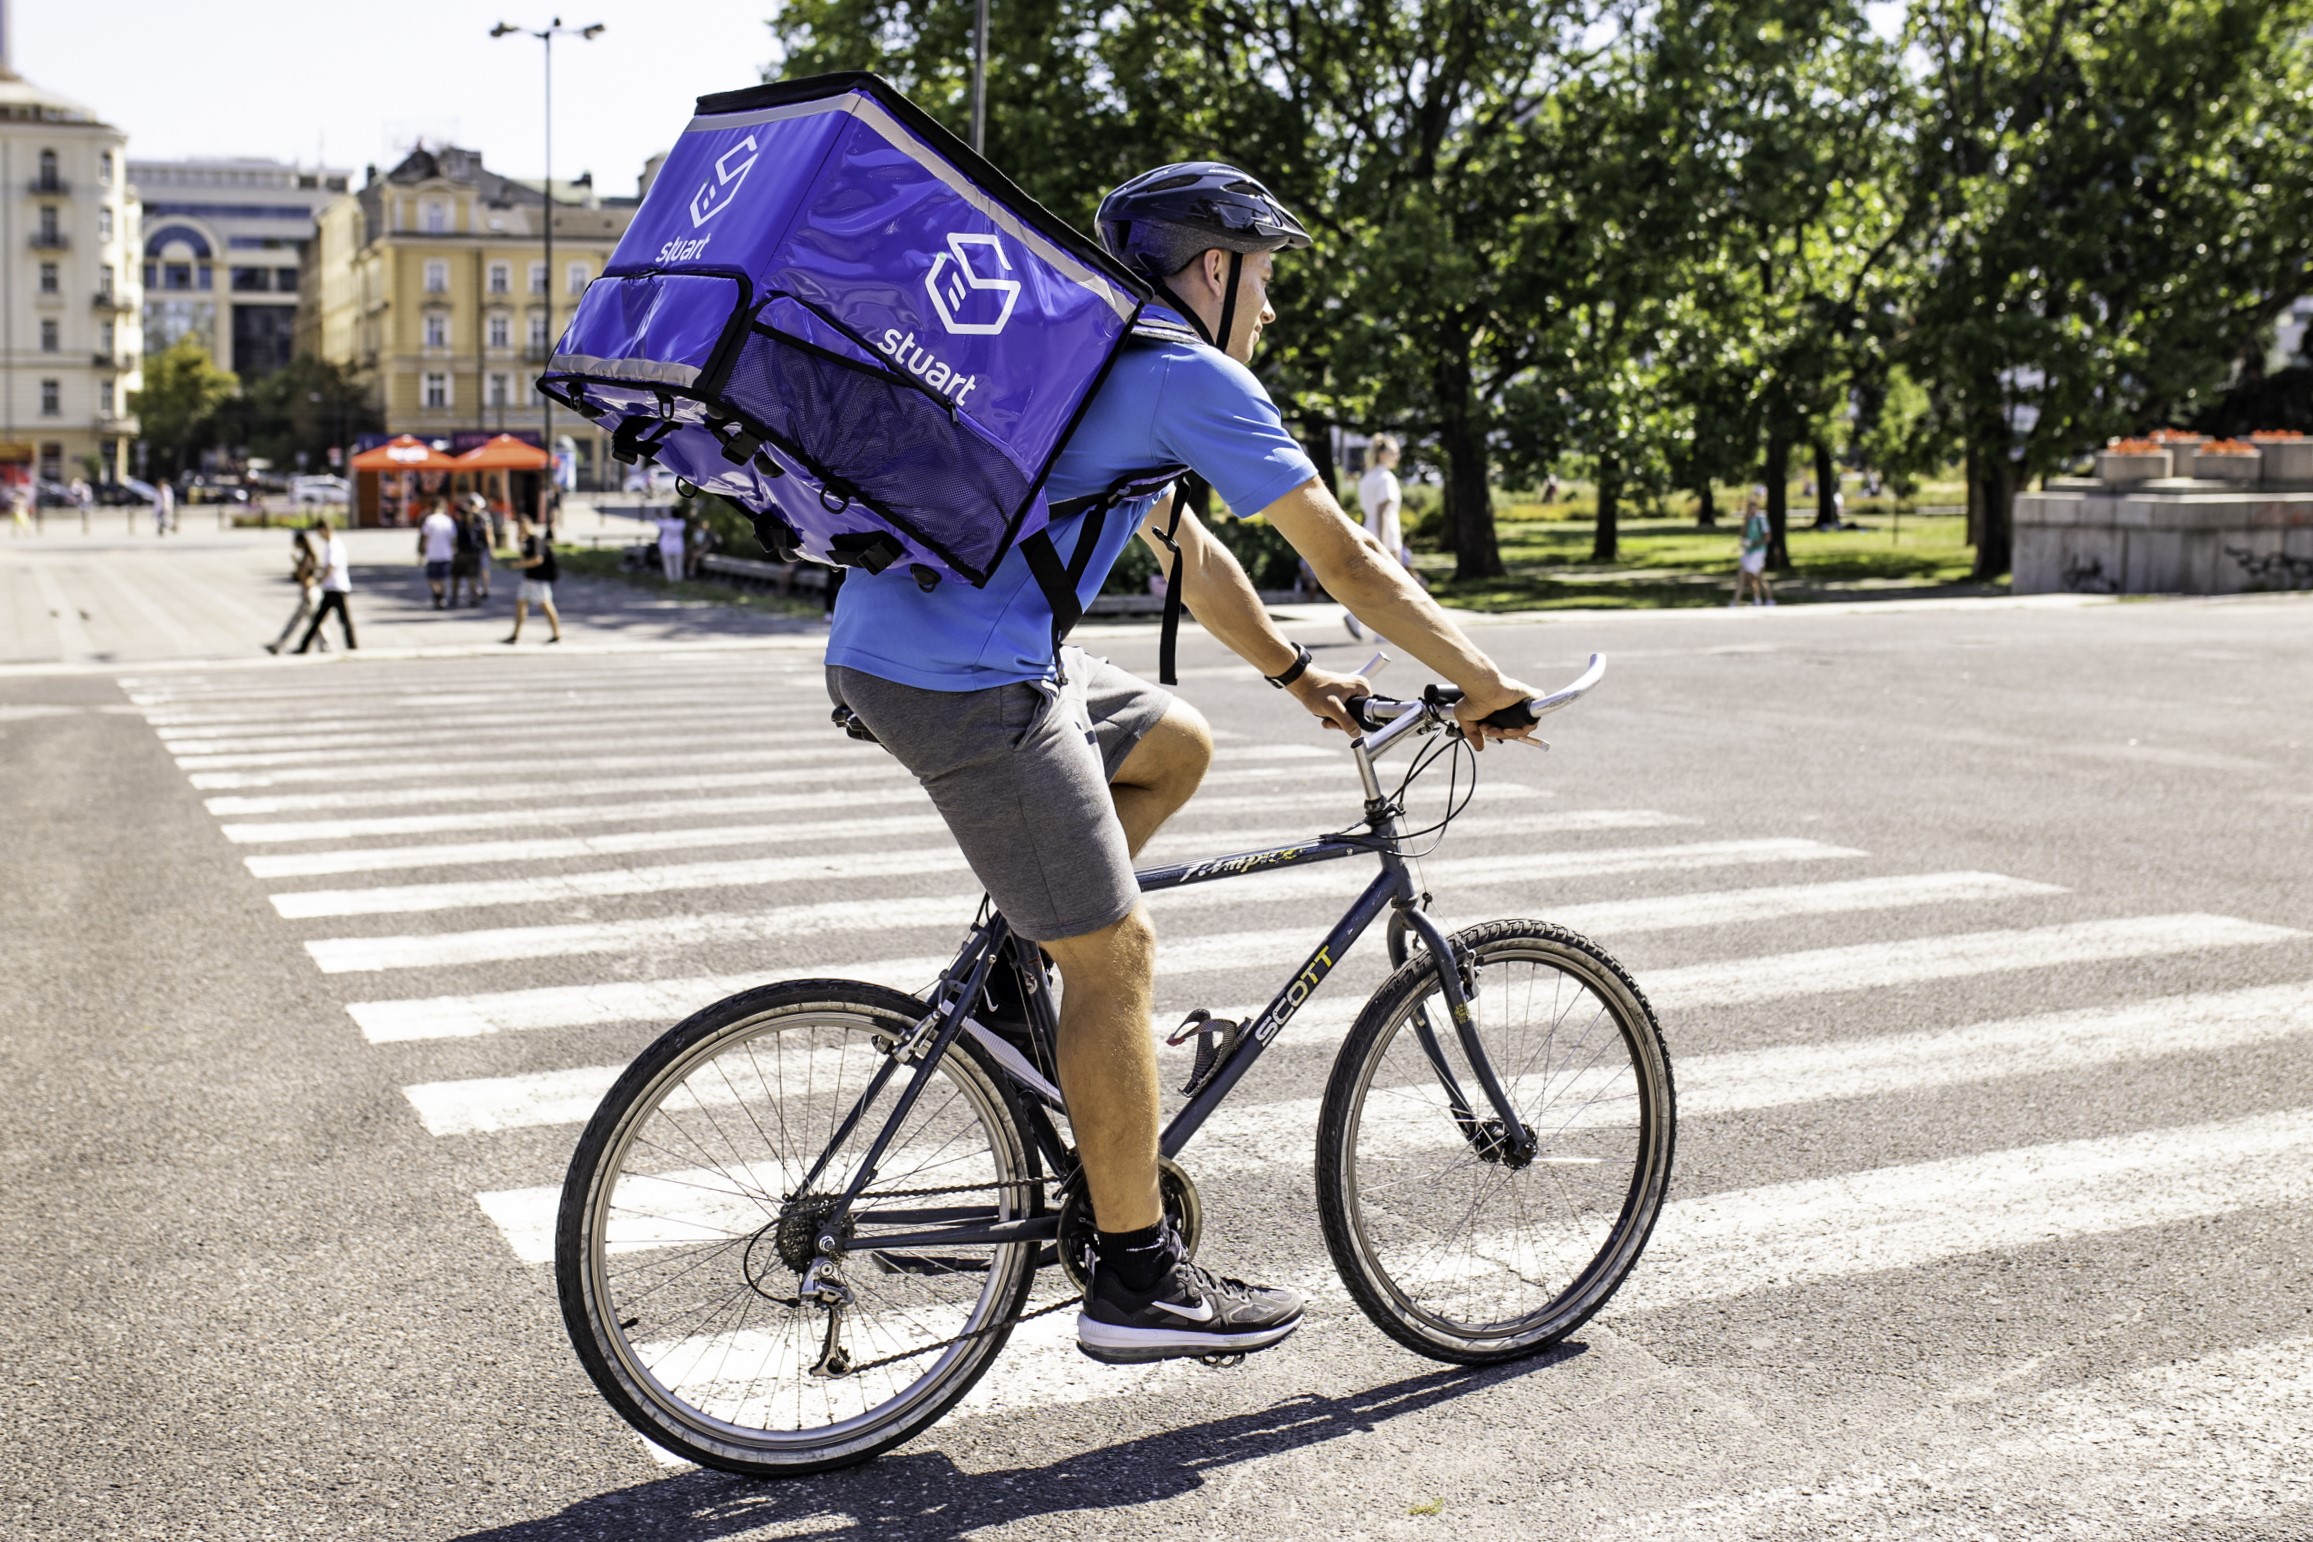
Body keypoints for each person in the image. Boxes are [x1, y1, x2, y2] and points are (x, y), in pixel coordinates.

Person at [824, 161, 1541, 1367]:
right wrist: (1483, 678)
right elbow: (1353, 559)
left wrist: (1295, 677)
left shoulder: (1085, 359)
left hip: (901, 648)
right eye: (1263, 281)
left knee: (1173, 742)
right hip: (970, 678)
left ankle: (1014, 970)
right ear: (1214, 267)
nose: (1269, 310)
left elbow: (1192, 555)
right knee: (1118, 958)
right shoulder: (1181, 374)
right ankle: (1137, 1281)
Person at [1345, 433, 1414, 638]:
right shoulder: (1385, 478)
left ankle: (1355, 616)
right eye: (1394, 452)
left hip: (1369, 529)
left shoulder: (1368, 477)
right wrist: (1384, 542)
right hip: (1386, 533)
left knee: (1374, 582)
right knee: (1391, 583)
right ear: (1382, 454)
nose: (1397, 456)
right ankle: (1383, 631)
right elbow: (1384, 510)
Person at [294, 517, 357, 651]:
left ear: (324, 530)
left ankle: (353, 646)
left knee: (342, 620)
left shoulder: (333, 545)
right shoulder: (333, 544)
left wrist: (320, 579)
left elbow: (330, 566)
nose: (319, 536)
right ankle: (304, 647)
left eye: (319, 532)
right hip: (331, 587)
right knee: (318, 620)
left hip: (336, 587)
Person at [265, 529, 329, 654]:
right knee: (309, 622)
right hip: (310, 592)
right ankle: (279, 645)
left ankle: (279, 645)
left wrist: (296, 565)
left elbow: (304, 575)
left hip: (309, 593)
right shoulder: (308, 556)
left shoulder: (308, 557)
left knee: (306, 622)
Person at [503, 514, 563, 644]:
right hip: (529, 578)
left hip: (539, 579)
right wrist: (519, 543)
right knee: (520, 603)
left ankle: (556, 633)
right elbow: (524, 558)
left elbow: (537, 559)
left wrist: (519, 565)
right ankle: (516, 634)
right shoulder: (526, 541)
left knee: (546, 605)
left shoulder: (535, 540)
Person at [1733, 487, 1774, 607]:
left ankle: (1768, 598)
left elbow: (1767, 537)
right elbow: (1742, 534)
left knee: (1758, 578)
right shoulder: (1748, 519)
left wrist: (1754, 543)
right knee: (1749, 577)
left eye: (1753, 507)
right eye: (1750, 507)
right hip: (1749, 551)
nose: (1751, 509)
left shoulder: (1761, 519)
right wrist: (1745, 523)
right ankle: (1755, 599)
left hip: (1758, 551)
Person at [418, 499, 457, 608]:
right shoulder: (448, 520)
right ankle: (442, 596)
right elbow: (453, 538)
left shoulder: (429, 520)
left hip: (432, 554)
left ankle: (438, 596)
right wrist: (453, 551)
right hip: (446, 554)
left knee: (432, 579)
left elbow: (425, 538)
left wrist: (422, 552)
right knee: (443, 578)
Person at [450, 496, 488, 606]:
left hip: (461, 553)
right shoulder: (478, 520)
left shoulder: (459, 524)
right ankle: (473, 598)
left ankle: (455, 597)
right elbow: (484, 536)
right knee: (472, 578)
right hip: (474, 553)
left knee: (456, 577)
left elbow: (454, 539)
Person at [654, 509, 688, 583]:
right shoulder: (682, 523)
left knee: (668, 564)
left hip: (666, 546)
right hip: (678, 546)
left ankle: (670, 579)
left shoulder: (668, 523)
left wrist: (658, 515)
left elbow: (659, 523)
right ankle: (679, 578)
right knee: (678, 564)